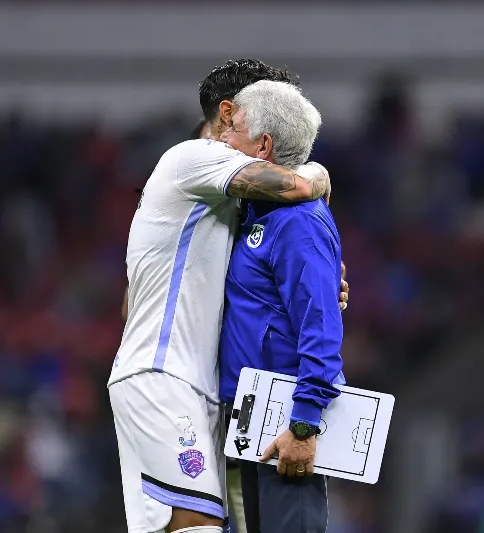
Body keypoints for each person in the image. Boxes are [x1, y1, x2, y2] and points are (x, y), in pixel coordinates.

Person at [108, 59, 342, 533]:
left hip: (209, 391)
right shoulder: (195, 157)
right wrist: (319, 173)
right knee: (198, 524)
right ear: (231, 113)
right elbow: (300, 185)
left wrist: (316, 278)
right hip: (164, 374)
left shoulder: (236, 205)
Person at [218, 80, 345, 533]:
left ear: (264, 146)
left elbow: (321, 325)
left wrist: (305, 424)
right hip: (251, 417)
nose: (222, 139)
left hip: (285, 423)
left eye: (233, 130)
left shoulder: (298, 222)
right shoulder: (256, 212)